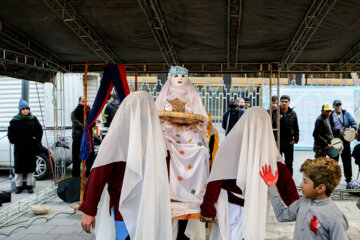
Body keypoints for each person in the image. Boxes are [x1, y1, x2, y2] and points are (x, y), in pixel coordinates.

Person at [79, 91, 172, 240]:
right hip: (131, 210)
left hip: (147, 208)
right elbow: (98, 174)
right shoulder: (122, 139)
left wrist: (89, 210)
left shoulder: (158, 140)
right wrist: (89, 210)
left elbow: (97, 174)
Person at [200, 107, 299, 240]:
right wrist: (300, 208)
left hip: (237, 207)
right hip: (244, 207)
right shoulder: (270, 153)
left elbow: (216, 179)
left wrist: (208, 208)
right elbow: (287, 185)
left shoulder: (229, 146)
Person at [155, 66, 209, 239]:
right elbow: (156, 116)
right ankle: (170, 192)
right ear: (169, 78)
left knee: (200, 151)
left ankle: (192, 194)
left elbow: (202, 118)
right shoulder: (164, 96)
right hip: (168, 132)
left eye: (183, 76)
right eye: (175, 75)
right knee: (164, 147)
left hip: (188, 133)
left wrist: (189, 122)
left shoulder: (192, 95)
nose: (179, 78)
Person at [260, 157, 348, 239]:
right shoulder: (303, 202)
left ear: (320, 188)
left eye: (305, 181)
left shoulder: (335, 218)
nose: (301, 184)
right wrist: (272, 186)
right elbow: (282, 215)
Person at [8, 99, 43, 194]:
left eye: (27, 108)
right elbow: (10, 132)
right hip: (19, 148)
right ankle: (18, 186)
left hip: (30, 148)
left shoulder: (33, 118)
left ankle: (29, 186)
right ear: (20, 110)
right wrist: (14, 140)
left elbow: (39, 130)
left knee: (30, 167)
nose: (25, 110)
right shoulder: (14, 120)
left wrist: (35, 139)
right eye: (23, 109)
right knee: (19, 167)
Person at [329, 100, 357, 183]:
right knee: (334, 161)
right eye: (336, 105)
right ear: (333, 107)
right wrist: (338, 131)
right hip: (335, 141)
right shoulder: (330, 115)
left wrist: (353, 128)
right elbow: (328, 127)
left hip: (345, 140)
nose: (338, 107)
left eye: (339, 105)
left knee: (347, 160)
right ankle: (333, 180)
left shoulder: (346, 114)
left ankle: (348, 179)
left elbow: (354, 123)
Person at [276, 95, 299, 175]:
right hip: (278, 142)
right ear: (280, 102)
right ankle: (278, 181)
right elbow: (272, 127)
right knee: (277, 163)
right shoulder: (275, 112)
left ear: (289, 103)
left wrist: (295, 139)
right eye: (282, 101)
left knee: (289, 163)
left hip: (289, 142)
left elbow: (296, 128)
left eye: (286, 102)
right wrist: (274, 140)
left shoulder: (293, 113)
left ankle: (289, 181)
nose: (284, 103)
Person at [71, 96, 93, 177]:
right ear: (79, 102)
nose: (85, 103)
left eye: (86, 101)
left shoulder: (89, 111)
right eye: (83, 101)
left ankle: (88, 178)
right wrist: (85, 126)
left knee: (89, 161)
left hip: (88, 139)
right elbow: (76, 122)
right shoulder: (75, 112)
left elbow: (92, 122)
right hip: (78, 139)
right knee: (76, 161)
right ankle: (76, 179)